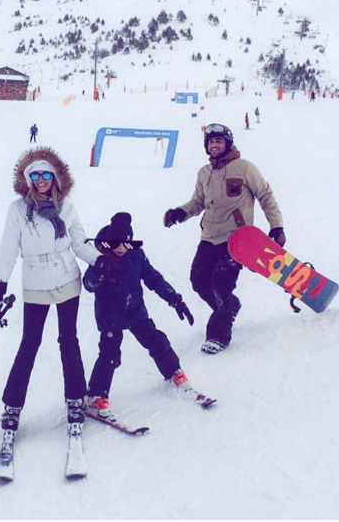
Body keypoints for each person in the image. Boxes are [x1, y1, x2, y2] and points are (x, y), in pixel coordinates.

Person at [0, 148, 101, 447]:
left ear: (55, 177)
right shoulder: (17, 210)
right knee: (30, 343)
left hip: (66, 278)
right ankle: (12, 406)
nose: (41, 180)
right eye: (35, 175)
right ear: (28, 179)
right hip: (36, 281)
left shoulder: (67, 206)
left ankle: (76, 397)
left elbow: (78, 243)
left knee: (69, 340)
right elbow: (8, 250)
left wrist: (99, 260)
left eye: (46, 175)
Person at [163, 123, 285, 355]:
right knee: (198, 281)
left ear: (227, 143)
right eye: (210, 142)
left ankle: (218, 334)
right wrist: (180, 212)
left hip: (236, 240)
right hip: (209, 236)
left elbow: (265, 195)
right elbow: (198, 202)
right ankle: (228, 306)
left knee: (221, 285)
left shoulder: (245, 167)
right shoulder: (204, 173)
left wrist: (276, 226)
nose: (214, 145)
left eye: (218, 141)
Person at [83, 213, 198, 418]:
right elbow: (88, 285)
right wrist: (98, 272)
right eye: (115, 244)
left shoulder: (136, 255)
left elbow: (153, 278)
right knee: (110, 354)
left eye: (125, 244)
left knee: (156, 340)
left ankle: (173, 372)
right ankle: (95, 396)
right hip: (110, 315)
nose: (120, 249)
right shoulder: (99, 257)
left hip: (135, 310)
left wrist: (175, 299)